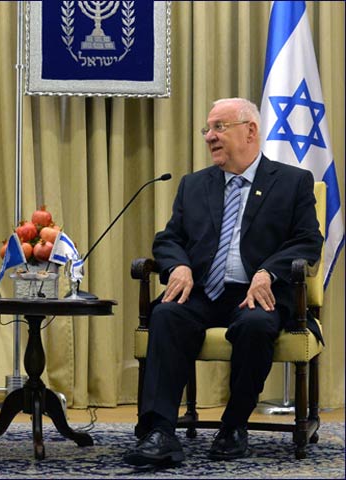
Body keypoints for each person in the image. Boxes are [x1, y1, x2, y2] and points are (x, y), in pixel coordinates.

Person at [123, 97, 323, 466]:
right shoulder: (194, 185)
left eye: (219, 127)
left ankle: (233, 425)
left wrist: (268, 272)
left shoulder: (292, 182)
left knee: (255, 326)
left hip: (256, 295)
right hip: (202, 292)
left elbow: (308, 240)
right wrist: (178, 266)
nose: (209, 137)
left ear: (250, 131)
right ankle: (160, 431)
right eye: (207, 129)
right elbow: (169, 238)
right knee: (167, 316)